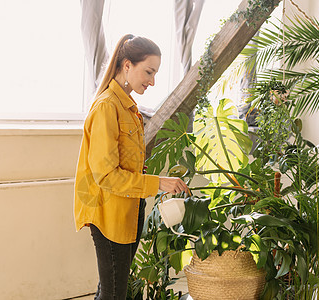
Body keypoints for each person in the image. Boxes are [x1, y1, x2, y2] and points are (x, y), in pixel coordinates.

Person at [74, 34, 188, 299]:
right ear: (127, 65)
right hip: (109, 214)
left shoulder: (128, 107)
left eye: (155, 73)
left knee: (111, 289)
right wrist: (158, 182)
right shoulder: (106, 107)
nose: (152, 80)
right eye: (148, 71)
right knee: (115, 293)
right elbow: (106, 175)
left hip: (129, 209)